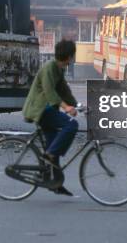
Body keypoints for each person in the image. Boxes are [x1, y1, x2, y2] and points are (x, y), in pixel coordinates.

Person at [22, 39, 78, 196]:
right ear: (68, 56)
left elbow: (64, 90)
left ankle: (55, 183)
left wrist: (77, 104)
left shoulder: (58, 69)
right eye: (72, 56)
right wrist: (66, 108)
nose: (73, 59)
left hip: (48, 109)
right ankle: (49, 156)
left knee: (54, 145)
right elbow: (49, 92)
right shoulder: (49, 68)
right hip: (40, 110)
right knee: (71, 126)